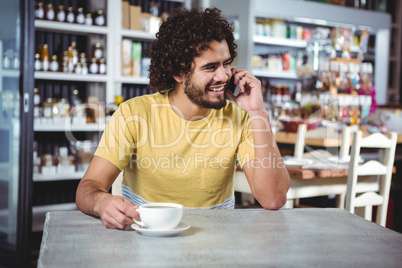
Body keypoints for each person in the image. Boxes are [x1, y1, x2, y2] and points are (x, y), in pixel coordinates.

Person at [76, 7, 290, 229]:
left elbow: (273, 199)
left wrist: (258, 113)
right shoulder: (134, 114)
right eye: (210, 67)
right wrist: (102, 202)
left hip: (218, 245)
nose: (224, 75)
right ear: (178, 73)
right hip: (148, 240)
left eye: (226, 63)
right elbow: (88, 187)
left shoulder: (242, 117)